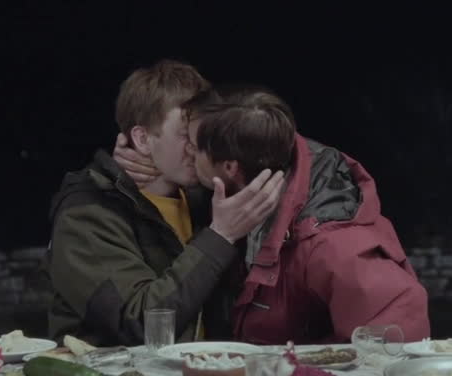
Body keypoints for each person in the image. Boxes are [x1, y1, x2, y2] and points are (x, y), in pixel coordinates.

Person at [115, 86, 431, 344]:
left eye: (194, 146)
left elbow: (399, 335)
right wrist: (141, 157)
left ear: (229, 166)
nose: (186, 151)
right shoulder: (251, 165)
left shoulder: (332, 242)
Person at [43, 60, 284, 346]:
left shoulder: (204, 198)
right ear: (142, 139)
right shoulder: (86, 213)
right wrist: (220, 236)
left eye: (204, 132)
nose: (199, 146)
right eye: (185, 134)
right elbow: (139, 323)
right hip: (111, 372)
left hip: (195, 369)